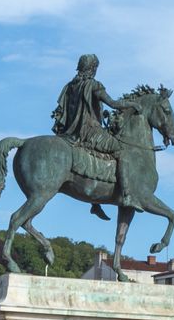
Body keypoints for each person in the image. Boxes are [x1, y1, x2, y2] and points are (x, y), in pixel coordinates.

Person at [52, 54, 131, 211]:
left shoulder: (70, 86)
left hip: (70, 131)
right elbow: (113, 103)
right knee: (122, 150)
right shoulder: (94, 85)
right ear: (92, 68)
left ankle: (96, 202)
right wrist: (133, 105)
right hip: (89, 131)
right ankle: (126, 193)